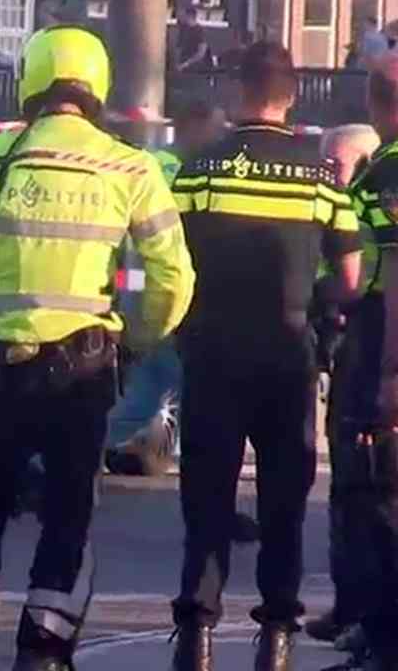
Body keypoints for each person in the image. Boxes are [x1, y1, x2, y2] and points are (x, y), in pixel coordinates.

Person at [0, 25, 196, 671]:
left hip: (1, 367)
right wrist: (139, 337)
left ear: (30, 82)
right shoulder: (132, 167)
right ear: (96, 87)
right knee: (69, 513)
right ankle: (42, 651)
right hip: (87, 368)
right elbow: (175, 276)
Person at [168, 42, 363, 671]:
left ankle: (196, 634)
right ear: (292, 95)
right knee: (283, 494)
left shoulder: (199, 171)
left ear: (237, 91)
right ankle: (276, 634)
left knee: (207, 493)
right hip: (287, 354)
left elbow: (169, 261)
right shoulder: (318, 179)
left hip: (213, 352)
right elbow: (353, 275)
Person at [104, 98, 228, 477]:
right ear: (194, 124)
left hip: (139, 289)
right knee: (173, 379)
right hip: (167, 295)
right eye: (216, 127)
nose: (221, 136)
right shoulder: (182, 172)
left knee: (150, 381)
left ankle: (110, 444)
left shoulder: (151, 164)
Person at [323, 54, 398, 671]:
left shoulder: (381, 180)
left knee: (380, 511)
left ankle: (382, 642)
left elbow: (358, 277)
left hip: (385, 362)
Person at [303, 123, 382, 648]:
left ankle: (368, 616)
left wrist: (309, 289)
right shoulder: (333, 205)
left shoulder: (371, 204)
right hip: (349, 343)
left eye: (339, 163)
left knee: (366, 487)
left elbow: (355, 280)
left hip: (373, 340)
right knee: (347, 489)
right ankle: (349, 606)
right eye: (326, 164)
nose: (329, 173)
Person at [175, 7, 214, 73]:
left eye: (182, 15)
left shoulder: (199, 31)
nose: (179, 18)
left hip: (196, 66)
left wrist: (186, 64)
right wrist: (177, 63)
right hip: (183, 64)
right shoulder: (183, 29)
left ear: (189, 16)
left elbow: (201, 53)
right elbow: (179, 48)